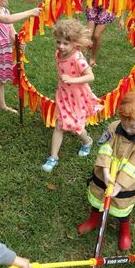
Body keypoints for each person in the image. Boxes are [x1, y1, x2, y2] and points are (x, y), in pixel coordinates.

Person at [77, 91, 135, 251]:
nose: (128, 129)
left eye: (133, 126)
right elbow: (105, 148)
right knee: (97, 198)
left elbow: (134, 167)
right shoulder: (113, 127)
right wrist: (104, 172)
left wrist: (118, 186)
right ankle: (93, 219)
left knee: (122, 207)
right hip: (103, 175)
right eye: (124, 124)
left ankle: (124, 229)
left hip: (125, 184)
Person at [42, 19, 103, 173]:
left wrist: (73, 80)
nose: (61, 47)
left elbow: (91, 77)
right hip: (63, 94)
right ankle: (53, 157)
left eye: (65, 44)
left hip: (77, 96)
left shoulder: (78, 58)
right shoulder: (59, 54)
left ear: (75, 43)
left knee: (76, 125)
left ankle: (87, 141)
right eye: (58, 42)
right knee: (60, 124)